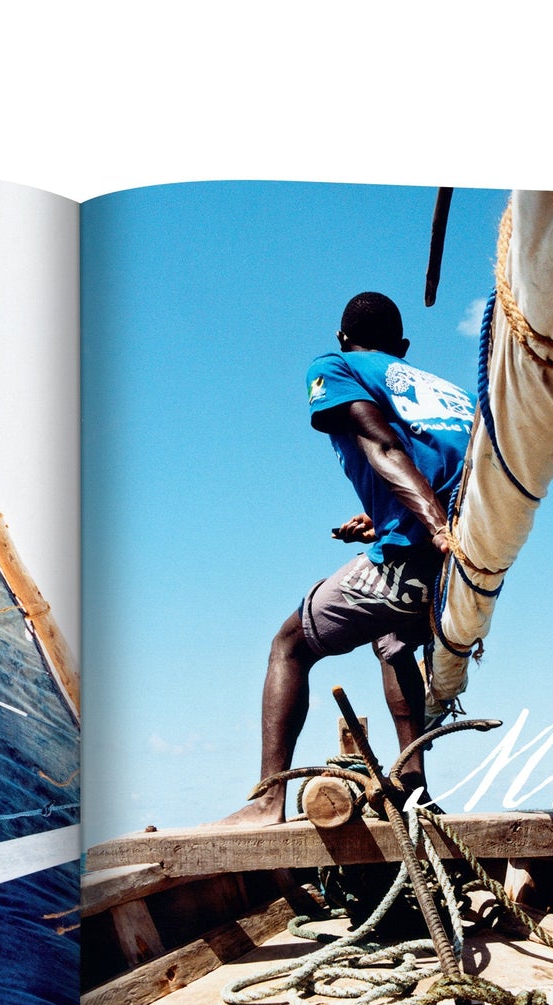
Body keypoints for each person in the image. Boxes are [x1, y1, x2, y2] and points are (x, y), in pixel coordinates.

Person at [218, 291, 474, 827]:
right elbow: (452, 474)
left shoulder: (334, 366)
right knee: (393, 644)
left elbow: (382, 448)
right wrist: (390, 522)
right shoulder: (446, 391)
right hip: (460, 578)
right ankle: (415, 792)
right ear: (402, 347)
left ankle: (267, 801)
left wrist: (433, 526)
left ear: (342, 337)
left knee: (288, 646)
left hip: (418, 555)